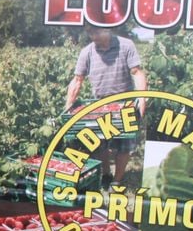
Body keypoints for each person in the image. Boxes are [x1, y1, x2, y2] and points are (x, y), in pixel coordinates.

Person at [63, 23, 148, 183]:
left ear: (106, 30)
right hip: (100, 104)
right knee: (100, 142)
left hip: (124, 103)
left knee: (124, 144)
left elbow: (137, 72)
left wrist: (142, 98)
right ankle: (106, 173)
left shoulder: (125, 45)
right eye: (90, 33)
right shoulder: (87, 52)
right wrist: (68, 107)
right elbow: (77, 80)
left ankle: (117, 180)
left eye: (95, 32)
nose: (92, 37)